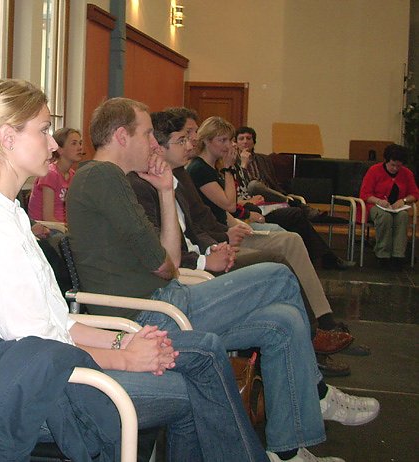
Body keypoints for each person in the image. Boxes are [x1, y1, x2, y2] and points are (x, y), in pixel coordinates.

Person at [0, 78, 269, 462]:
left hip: (49, 366)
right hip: (35, 391)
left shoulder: (7, 213)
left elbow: (56, 322)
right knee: (192, 389)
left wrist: (123, 342)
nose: (53, 144)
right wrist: (125, 357)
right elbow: (34, 346)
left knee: (203, 352)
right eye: (44, 130)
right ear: (6, 137)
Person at [65, 97, 379, 462]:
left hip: (165, 301)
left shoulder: (111, 179)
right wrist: (167, 263)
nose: (153, 143)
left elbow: (169, 260)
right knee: (279, 275)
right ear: (122, 136)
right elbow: (164, 265)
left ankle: (288, 452)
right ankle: (318, 392)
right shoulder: (102, 176)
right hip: (151, 316)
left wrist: (166, 191)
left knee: (283, 322)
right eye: (147, 133)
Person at [128, 109, 355, 377]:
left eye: (191, 136)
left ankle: (313, 349)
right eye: (183, 138)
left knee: (284, 303)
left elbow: (198, 224)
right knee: (279, 267)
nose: (190, 143)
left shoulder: (176, 175)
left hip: (208, 252)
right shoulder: (155, 182)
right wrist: (211, 252)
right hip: (188, 276)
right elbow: (169, 250)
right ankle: (314, 336)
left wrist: (216, 245)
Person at [187, 117, 355, 271]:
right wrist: (229, 169)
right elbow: (229, 205)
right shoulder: (200, 169)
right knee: (289, 239)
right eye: (222, 140)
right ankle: (316, 268)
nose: (228, 145)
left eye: (229, 140)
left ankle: (314, 269)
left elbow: (222, 209)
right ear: (207, 141)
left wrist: (239, 221)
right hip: (221, 234)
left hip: (232, 224)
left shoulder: (213, 167)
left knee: (290, 236)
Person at [233, 126, 343, 224]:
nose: (245, 142)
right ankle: (291, 202)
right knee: (253, 185)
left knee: (260, 186)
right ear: (236, 143)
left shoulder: (264, 159)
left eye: (248, 138)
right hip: (248, 196)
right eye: (241, 139)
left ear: (254, 142)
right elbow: (239, 184)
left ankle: (298, 206)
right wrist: (243, 164)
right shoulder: (233, 160)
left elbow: (272, 182)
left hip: (268, 194)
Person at [358, 143, 419, 269]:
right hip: (375, 205)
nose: (395, 168)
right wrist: (379, 201)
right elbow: (365, 194)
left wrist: (403, 200)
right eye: (392, 165)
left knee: (403, 216)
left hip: (396, 207)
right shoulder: (374, 170)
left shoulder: (407, 173)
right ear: (386, 161)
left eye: (398, 166)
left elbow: (415, 194)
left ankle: (398, 255)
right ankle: (383, 254)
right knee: (385, 217)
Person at [27, 127, 84, 222]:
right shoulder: (51, 174)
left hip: (62, 225)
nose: (80, 147)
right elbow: (48, 218)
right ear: (60, 150)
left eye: (80, 143)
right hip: (46, 227)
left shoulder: (72, 175)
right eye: (74, 143)